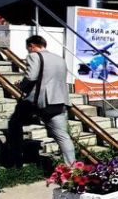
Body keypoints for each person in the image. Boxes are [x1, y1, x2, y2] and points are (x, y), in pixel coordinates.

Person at [6, 35, 76, 165]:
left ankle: (15, 159)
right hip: (60, 100)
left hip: (42, 101)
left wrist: (21, 86)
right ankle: (72, 168)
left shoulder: (34, 56)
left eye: (28, 48)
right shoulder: (59, 59)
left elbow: (31, 77)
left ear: (32, 46)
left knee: (14, 122)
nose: (28, 51)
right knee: (63, 136)